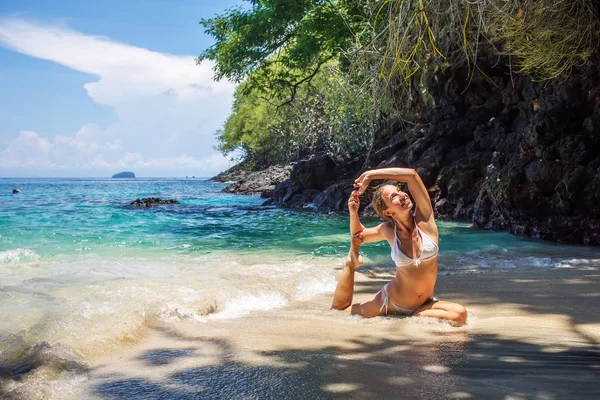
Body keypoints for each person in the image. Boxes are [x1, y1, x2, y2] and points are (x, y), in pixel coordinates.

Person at [331, 168, 467, 325]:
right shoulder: (388, 231)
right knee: (339, 311)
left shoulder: (425, 220)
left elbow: (412, 175)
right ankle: (351, 263)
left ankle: (412, 316)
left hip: (425, 303)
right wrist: (353, 212)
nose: (402, 195)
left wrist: (372, 175)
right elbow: (358, 235)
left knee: (460, 314)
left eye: (399, 190)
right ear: (388, 212)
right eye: (394, 196)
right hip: (390, 301)